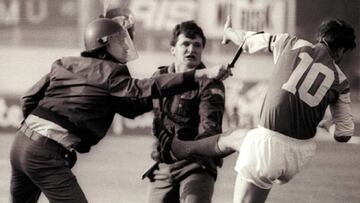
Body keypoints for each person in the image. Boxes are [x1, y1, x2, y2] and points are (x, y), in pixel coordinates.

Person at [9, 17, 229, 203]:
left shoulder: (64, 63)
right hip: (45, 153)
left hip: (20, 145)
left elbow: (28, 98)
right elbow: (145, 89)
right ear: (103, 43)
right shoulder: (111, 73)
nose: (124, 45)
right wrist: (199, 75)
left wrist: (34, 136)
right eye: (118, 41)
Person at [169, 16, 357, 203]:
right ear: (341, 50)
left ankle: (180, 148)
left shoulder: (290, 43)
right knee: (237, 137)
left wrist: (229, 32)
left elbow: (248, 40)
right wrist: (327, 123)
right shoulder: (341, 82)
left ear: (320, 36)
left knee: (242, 141)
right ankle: (184, 149)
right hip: (297, 156)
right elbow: (344, 134)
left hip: (267, 147)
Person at [142, 20, 226, 203]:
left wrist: (183, 149)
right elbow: (134, 101)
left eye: (197, 45)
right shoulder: (159, 77)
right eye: (185, 44)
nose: (192, 49)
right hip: (163, 166)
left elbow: (210, 129)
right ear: (173, 49)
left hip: (197, 165)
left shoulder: (211, 83)